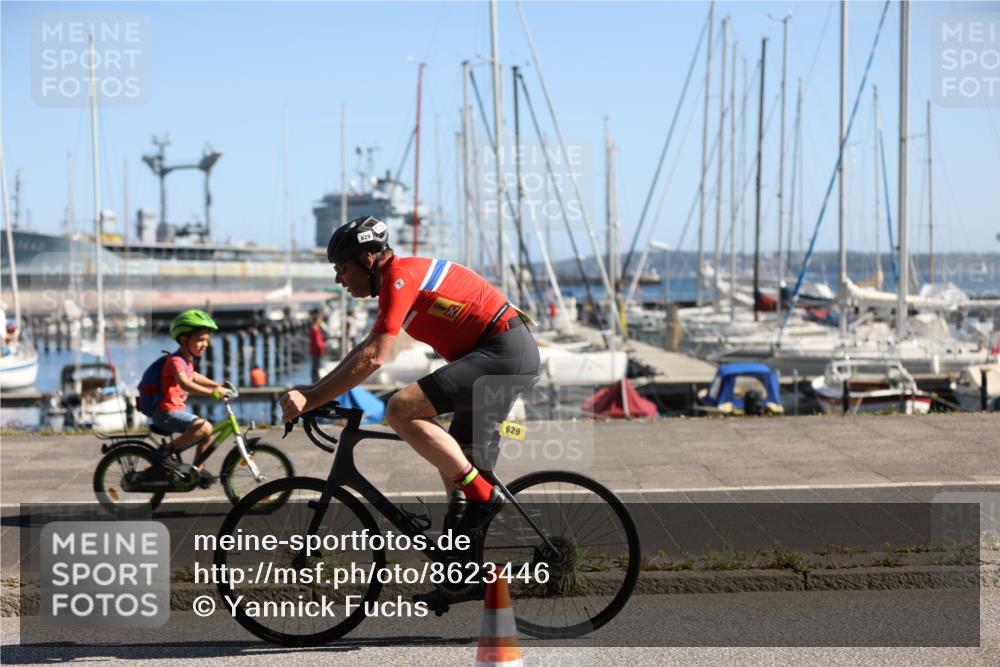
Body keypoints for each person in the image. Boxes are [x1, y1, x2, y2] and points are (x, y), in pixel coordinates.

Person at [280, 215, 540, 539]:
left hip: (504, 354)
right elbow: (365, 348)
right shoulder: (395, 281)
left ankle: (483, 498)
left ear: (367, 259)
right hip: (497, 357)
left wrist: (311, 399)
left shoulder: (399, 276)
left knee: (401, 409)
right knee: (459, 471)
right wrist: (314, 390)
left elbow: (375, 356)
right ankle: (460, 580)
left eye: (342, 269)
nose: (338, 279)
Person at [153, 309, 229, 483]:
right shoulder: (174, 360)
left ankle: (197, 471)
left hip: (174, 411)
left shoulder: (186, 360)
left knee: (207, 433)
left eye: (207, 340)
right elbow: (185, 383)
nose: (205, 344)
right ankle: (164, 453)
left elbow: (194, 376)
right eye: (200, 340)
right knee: (205, 427)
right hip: (165, 413)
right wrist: (213, 393)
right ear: (184, 339)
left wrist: (217, 385)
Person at [308, 313, 327, 382]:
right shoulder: (315, 329)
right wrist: (321, 349)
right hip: (316, 350)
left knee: (315, 366)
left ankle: (315, 380)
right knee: (316, 366)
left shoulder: (315, 328)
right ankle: (315, 381)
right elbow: (317, 341)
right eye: (320, 320)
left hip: (315, 350)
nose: (321, 321)